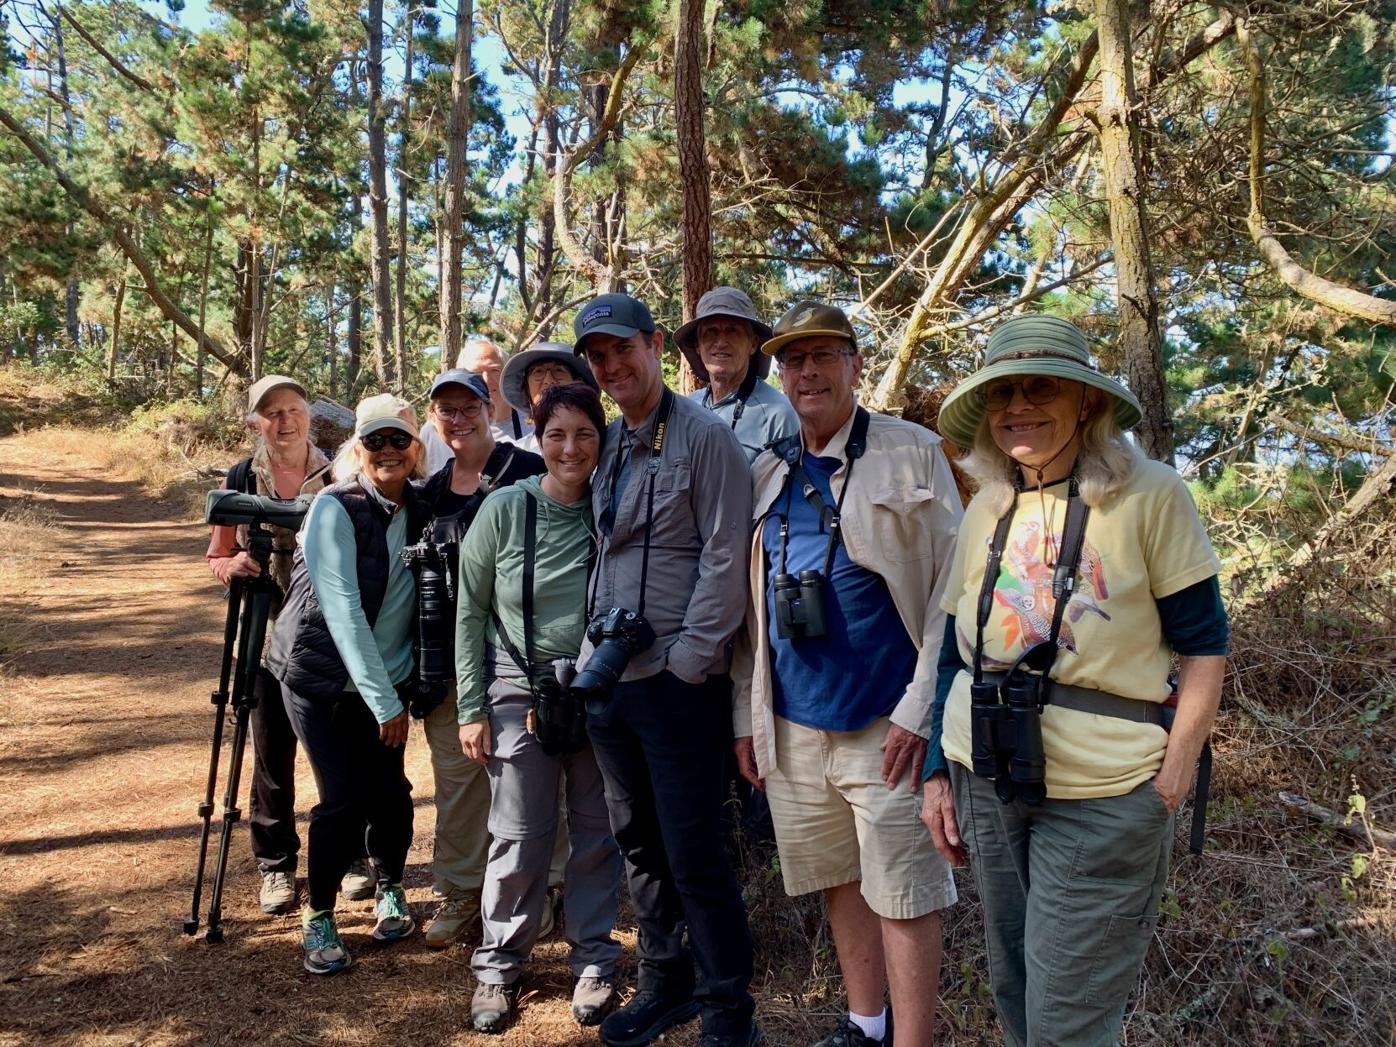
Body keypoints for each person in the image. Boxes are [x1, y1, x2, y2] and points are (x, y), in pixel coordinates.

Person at [921, 314, 1228, 1047]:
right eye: (1003, 394)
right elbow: (951, 653)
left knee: (1069, 1017)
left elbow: (1206, 645)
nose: (1018, 406)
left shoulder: (1149, 495)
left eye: (1040, 387)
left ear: (1086, 401)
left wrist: (1176, 768)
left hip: (1104, 796)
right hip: (989, 778)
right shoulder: (987, 505)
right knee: (1017, 988)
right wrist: (938, 768)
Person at [732, 302, 962, 1047]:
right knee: (840, 877)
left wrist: (922, 708)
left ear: (854, 364)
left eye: (823, 355)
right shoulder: (768, 471)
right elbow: (750, 606)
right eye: (793, 361)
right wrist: (747, 714)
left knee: (903, 892)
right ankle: (866, 1023)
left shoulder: (913, 452)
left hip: (886, 722)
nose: (806, 372)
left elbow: (952, 596)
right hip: (796, 722)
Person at [573, 293, 760, 1047]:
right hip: (613, 680)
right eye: (598, 356)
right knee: (639, 847)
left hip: (679, 685)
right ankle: (665, 983)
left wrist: (690, 658)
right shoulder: (610, 444)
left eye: (622, 348)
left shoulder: (708, 438)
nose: (612, 365)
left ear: (655, 345)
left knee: (694, 853)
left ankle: (728, 1010)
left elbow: (726, 553)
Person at [455, 382, 624, 1033]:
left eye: (584, 434)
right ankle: (498, 966)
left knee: (594, 829)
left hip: (594, 688)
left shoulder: (609, 510)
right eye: (557, 433)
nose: (570, 447)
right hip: (515, 689)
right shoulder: (505, 508)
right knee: (520, 836)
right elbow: (469, 610)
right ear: (537, 436)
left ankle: (594, 959)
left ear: (601, 442)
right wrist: (472, 706)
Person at [265, 393, 427, 974]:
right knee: (341, 798)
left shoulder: (424, 507)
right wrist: (385, 701)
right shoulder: (335, 508)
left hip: (390, 679)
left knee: (390, 791)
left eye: (398, 440)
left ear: (416, 447)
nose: (387, 451)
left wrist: (401, 686)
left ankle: (390, 886)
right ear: (358, 450)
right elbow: (343, 610)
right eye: (375, 441)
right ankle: (321, 914)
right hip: (322, 678)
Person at [205, 375, 374, 914]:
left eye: (293, 409)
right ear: (256, 422)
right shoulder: (241, 477)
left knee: (338, 755)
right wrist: (230, 565)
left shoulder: (341, 474)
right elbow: (217, 554)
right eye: (271, 412)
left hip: (325, 641)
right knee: (272, 758)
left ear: (309, 414)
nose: (284, 421)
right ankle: (276, 865)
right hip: (262, 637)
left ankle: (350, 855)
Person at [674, 286, 798, 463]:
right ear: (697, 346)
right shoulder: (689, 405)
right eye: (710, 332)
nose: (721, 342)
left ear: (753, 344)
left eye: (733, 331)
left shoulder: (778, 414)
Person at [424, 338, 531, 473]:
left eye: (494, 370)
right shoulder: (435, 431)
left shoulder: (531, 423)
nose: (486, 380)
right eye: (476, 373)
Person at [498, 341, 599, 452]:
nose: (549, 380)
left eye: (559, 370)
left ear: (578, 383)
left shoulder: (603, 446)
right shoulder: (516, 456)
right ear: (526, 389)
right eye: (539, 371)